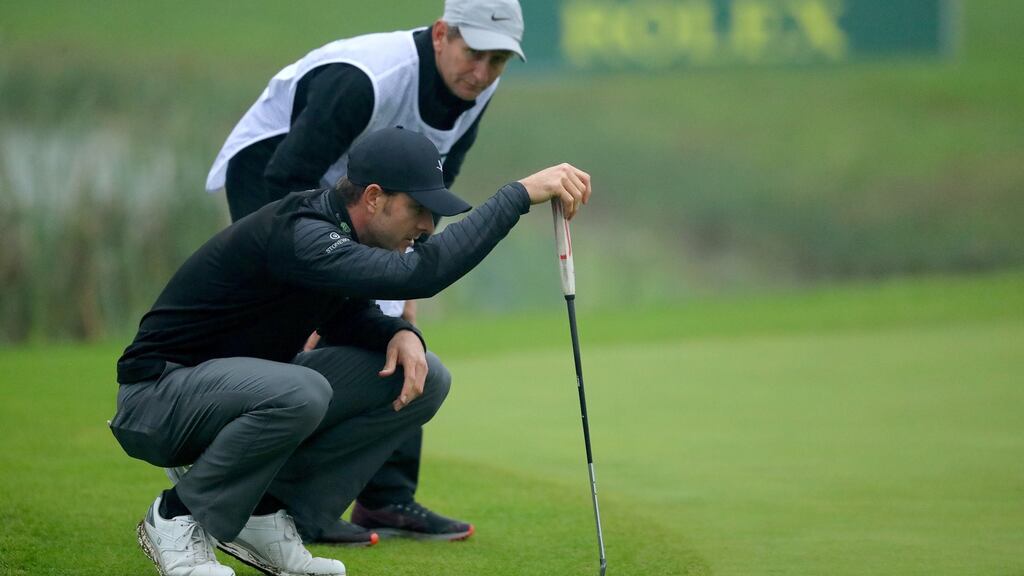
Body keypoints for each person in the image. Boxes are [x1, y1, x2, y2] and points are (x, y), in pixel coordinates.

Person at [111, 127, 591, 576]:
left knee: (426, 377)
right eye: (418, 209)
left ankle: (265, 513)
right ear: (374, 197)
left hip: (226, 395)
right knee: (303, 391)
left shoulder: (338, 235)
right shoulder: (303, 231)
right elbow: (421, 274)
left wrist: (397, 333)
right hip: (157, 397)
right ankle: (175, 516)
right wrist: (517, 196)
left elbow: (345, 318)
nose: (427, 225)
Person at [203, 0, 526, 544]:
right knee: (298, 326)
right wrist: (312, 297)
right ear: (442, 34)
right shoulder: (365, 79)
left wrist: (408, 269)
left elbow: (433, 185)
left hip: (363, 200)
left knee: (397, 324)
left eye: (497, 61)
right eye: (474, 54)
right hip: (271, 179)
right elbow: (288, 179)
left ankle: (385, 499)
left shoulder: (476, 88)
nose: (482, 72)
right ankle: (248, 497)